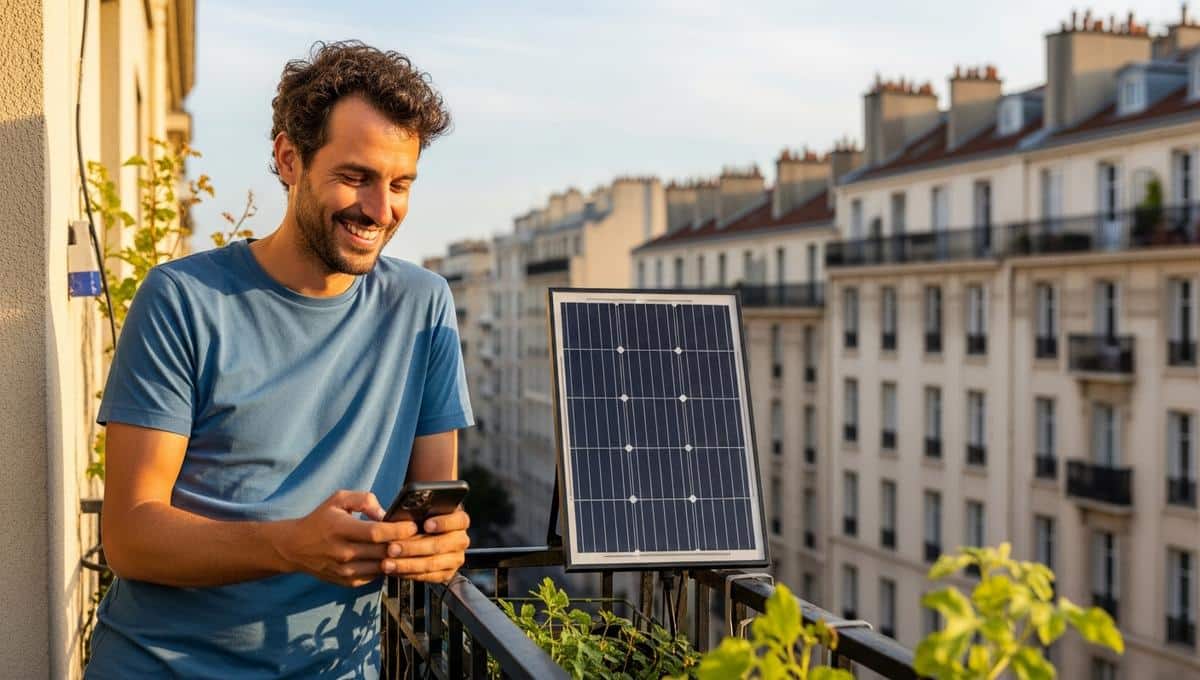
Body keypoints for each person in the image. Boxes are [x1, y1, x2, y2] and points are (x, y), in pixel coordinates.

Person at [85, 41, 472, 678]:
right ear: (289, 159)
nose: (381, 210)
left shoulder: (423, 303)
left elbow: (436, 499)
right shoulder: (184, 299)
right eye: (356, 177)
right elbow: (130, 536)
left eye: (400, 184)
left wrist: (441, 543)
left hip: (336, 666)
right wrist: (289, 545)